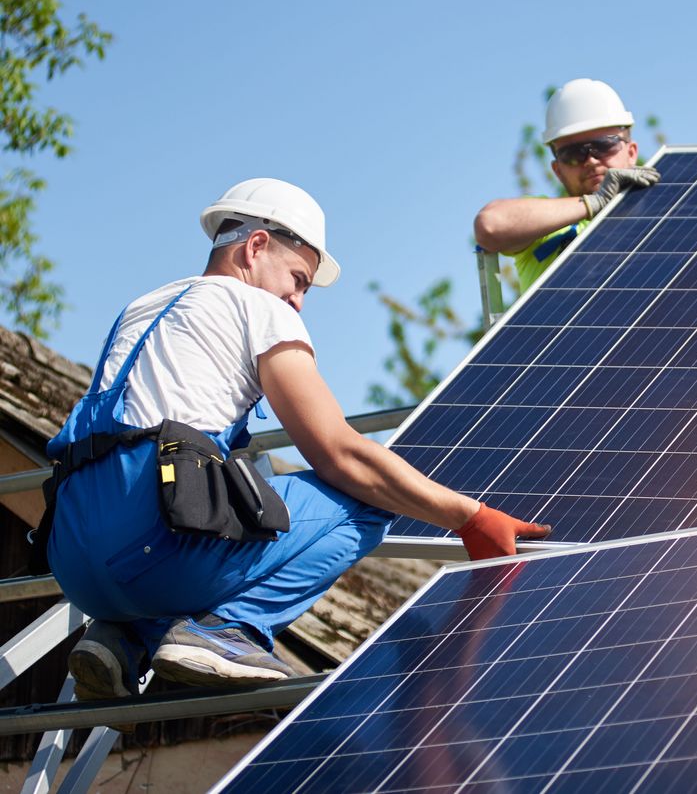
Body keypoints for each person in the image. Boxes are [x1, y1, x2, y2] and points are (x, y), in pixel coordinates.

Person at [46, 178, 551, 700]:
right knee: (365, 501)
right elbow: (340, 455)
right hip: (153, 546)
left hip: (74, 564)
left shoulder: (144, 307)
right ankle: (229, 630)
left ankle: (124, 638)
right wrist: (467, 516)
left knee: (239, 486)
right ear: (257, 244)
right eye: (299, 279)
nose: (299, 301)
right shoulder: (258, 310)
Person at [474, 78, 660, 293]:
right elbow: (490, 224)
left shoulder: (670, 216)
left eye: (605, 145)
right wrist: (595, 202)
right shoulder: (546, 225)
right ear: (558, 170)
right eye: (573, 154)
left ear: (631, 153)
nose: (590, 160)